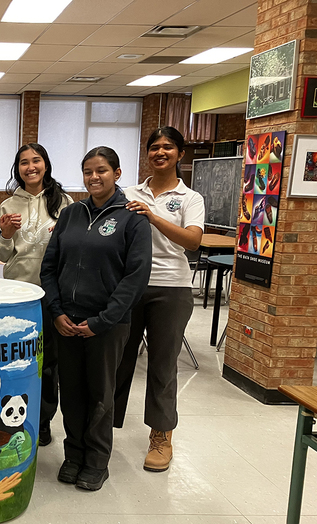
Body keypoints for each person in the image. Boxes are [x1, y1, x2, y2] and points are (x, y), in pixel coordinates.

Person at [40, 146, 151, 492]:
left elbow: (136, 277)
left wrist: (103, 320)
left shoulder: (133, 218)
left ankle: (97, 461)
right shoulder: (71, 214)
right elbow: (49, 267)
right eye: (88, 171)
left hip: (107, 325)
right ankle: (73, 455)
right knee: (72, 393)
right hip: (67, 322)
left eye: (101, 170)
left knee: (101, 395)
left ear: (117, 173)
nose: (94, 177)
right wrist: (56, 311)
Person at [113, 126, 205, 472]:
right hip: (129, 285)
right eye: (154, 147)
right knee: (118, 359)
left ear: (180, 153)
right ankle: (104, 426)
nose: (160, 152)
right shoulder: (128, 192)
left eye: (168, 147)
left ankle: (161, 435)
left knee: (163, 364)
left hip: (171, 287)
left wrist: (152, 216)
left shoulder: (190, 198)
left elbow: (192, 241)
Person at [0, 143, 72, 447]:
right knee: (18, 361)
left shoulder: (63, 202)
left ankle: (42, 421)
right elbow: (3, 255)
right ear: (18, 169)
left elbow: (71, 249)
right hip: (18, 294)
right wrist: (5, 234)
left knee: (48, 362)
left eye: (36, 161)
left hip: (51, 294)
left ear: (45, 164)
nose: (30, 167)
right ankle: (14, 417)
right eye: (24, 162)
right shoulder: (8, 205)